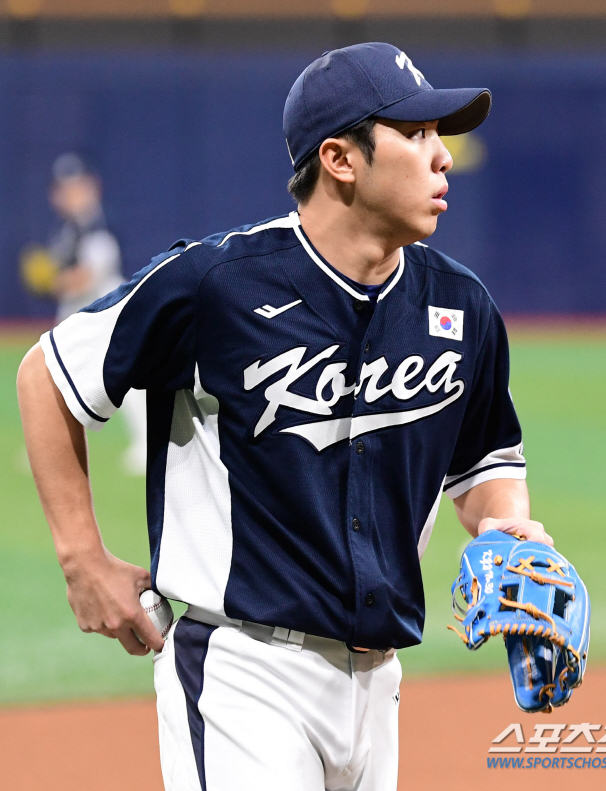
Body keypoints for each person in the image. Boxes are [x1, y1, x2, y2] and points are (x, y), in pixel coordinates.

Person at [17, 43, 553, 791]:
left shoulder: (461, 306)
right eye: (417, 133)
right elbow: (48, 371)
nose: (444, 158)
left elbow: (487, 467)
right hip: (245, 674)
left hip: (379, 685)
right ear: (340, 158)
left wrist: (504, 525)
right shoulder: (217, 286)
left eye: (441, 135)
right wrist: (82, 560)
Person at [31, 153, 148, 473]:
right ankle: (49, 448)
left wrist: (49, 280)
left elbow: (87, 276)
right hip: (79, 310)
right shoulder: (70, 228)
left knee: (129, 378)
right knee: (52, 376)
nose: (71, 194)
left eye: (76, 186)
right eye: (65, 188)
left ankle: (148, 444)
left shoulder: (97, 223)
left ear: (92, 187)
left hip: (106, 307)